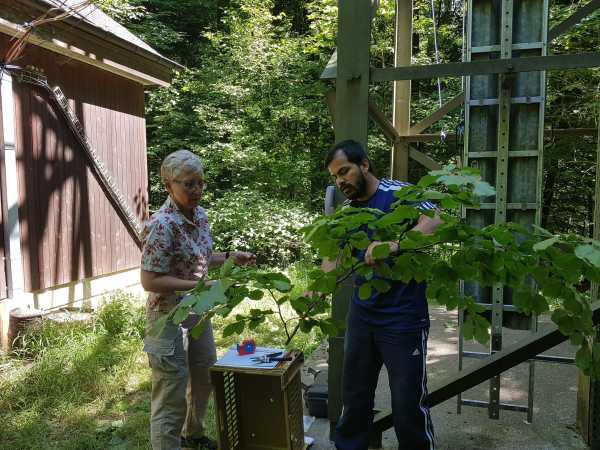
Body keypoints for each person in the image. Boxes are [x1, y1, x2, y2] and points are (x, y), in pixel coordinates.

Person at [325, 140, 441, 450]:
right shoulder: (348, 212)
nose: (340, 182)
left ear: (364, 165)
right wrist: (315, 288)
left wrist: (396, 245)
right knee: (355, 394)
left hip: (403, 317)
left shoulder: (399, 192)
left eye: (345, 171)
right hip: (362, 315)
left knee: (407, 401)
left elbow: (436, 220)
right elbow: (333, 256)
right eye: (335, 177)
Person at [140, 149, 256, 450]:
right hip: (166, 316)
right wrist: (196, 285)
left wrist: (230, 257)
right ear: (168, 185)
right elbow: (149, 280)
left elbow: (201, 256)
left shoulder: (200, 215)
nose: (197, 191)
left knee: (204, 373)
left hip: (197, 311)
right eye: (188, 184)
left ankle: (193, 434)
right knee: (171, 388)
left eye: (200, 183)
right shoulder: (161, 225)